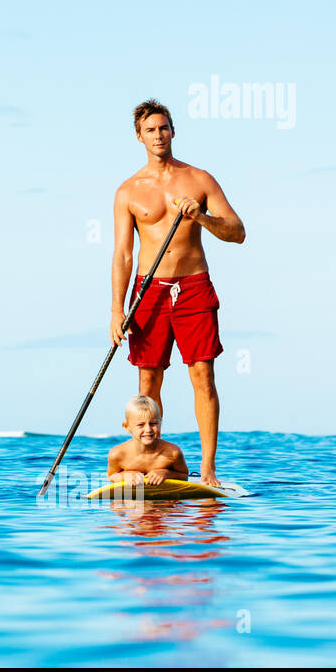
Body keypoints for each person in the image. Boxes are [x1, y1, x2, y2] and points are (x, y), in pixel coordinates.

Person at [111, 99, 245, 487]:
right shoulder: (127, 191)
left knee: (202, 374)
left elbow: (237, 233)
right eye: (150, 130)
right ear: (139, 137)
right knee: (148, 383)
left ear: (173, 130)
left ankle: (206, 469)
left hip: (193, 286)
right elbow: (122, 254)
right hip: (147, 291)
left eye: (164, 127)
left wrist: (201, 216)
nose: (159, 135)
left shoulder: (199, 180)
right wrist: (116, 310)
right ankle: (145, 464)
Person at [106, 394, 189, 486]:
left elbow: (184, 475)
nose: (148, 429)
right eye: (140, 425)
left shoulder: (173, 452)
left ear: (160, 424)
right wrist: (125, 476)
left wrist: (165, 473)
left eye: (153, 423)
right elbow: (111, 476)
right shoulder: (118, 454)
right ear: (127, 427)